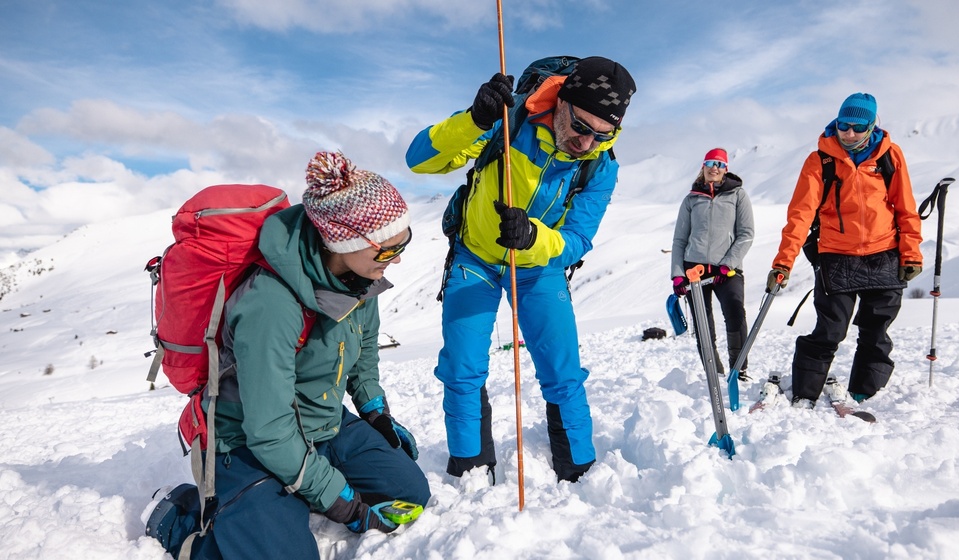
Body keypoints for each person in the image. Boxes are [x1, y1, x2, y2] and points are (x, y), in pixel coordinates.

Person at [144, 151, 431, 559]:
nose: (396, 259)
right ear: (341, 242)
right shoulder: (271, 304)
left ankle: (292, 497)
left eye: (403, 243)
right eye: (386, 250)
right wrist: (344, 504)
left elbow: (364, 351)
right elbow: (270, 430)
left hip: (323, 425)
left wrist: (375, 411)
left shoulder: (360, 277)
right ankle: (183, 520)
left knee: (410, 494)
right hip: (247, 443)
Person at [405, 56, 636, 483]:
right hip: (475, 258)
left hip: (537, 266)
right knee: (462, 368)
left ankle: (579, 470)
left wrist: (533, 237)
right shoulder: (509, 118)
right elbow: (419, 160)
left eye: (604, 134)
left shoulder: (600, 165)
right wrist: (473, 121)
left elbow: (577, 240)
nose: (586, 143)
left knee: (562, 370)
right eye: (581, 127)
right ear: (562, 101)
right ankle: (470, 467)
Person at [766, 93, 923, 408]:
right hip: (836, 256)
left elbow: (905, 207)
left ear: (871, 126)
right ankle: (805, 394)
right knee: (830, 330)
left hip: (884, 254)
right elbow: (799, 217)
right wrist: (783, 264)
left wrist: (911, 252)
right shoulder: (820, 161)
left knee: (876, 331)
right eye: (843, 125)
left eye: (857, 127)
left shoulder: (890, 157)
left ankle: (865, 395)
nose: (849, 133)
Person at [670, 147, 755, 381]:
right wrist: (678, 274)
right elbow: (679, 240)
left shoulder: (738, 195)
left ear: (726, 169)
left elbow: (746, 234)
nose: (714, 168)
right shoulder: (691, 199)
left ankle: (739, 371)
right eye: (710, 163)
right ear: (703, 167)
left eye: (719, 164)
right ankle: (714, 373)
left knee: (736, 314)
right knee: (703, 324)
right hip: (693, 271)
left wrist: (728, 264)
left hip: (727, 271)